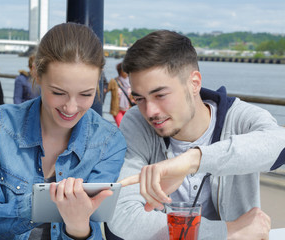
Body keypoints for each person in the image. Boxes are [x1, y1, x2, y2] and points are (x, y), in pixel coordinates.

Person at [107, 30, 285, 239]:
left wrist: (193, 160)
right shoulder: (136, 121)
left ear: (194, 83)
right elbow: (123, 216)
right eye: (140, 98)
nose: (150, 111)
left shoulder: (238, 117)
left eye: (160, 95)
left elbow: (279, 146)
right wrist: (227, 232)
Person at [0, 22, 126, 240]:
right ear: (37, 75)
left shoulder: (109, 141)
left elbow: (93, 228)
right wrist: (46, 201)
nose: (71, 107)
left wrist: (78, 228)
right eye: (58, 92)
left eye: (86, 94)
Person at [107, 62, 134, 127]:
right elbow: (105, 90)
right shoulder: (113, 81)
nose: (125, 72)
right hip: (117, 110)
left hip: (129, 110)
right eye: (124, 70)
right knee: (121, 126)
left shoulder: (132, 81)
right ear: (119, 71)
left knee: (129, 128)